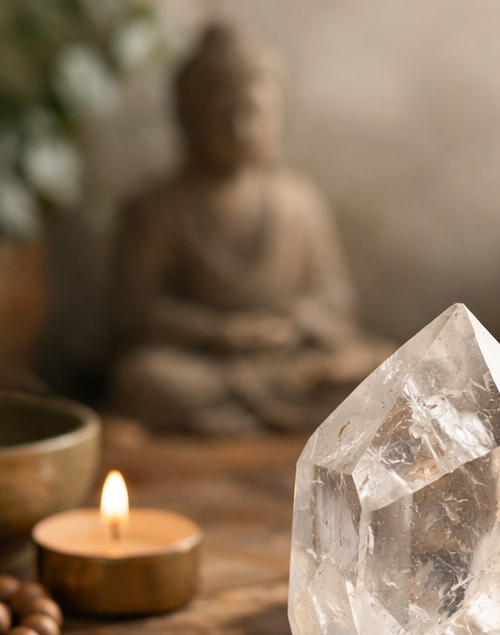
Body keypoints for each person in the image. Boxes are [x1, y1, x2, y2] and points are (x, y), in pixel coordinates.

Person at [110, 23, 391, 434]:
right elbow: (134, 312)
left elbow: (335, 300)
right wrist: (222, 333)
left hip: (285, 357)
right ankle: (260, 415)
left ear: (274, 112)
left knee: (380, 365)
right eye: (223, 116)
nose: (241, 130)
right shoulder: (156, 207)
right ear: (189, 118)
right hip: (205, 363)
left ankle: (232, 417)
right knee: (144, 379)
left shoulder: (299, 199)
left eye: (254, 112)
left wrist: (288, 325)